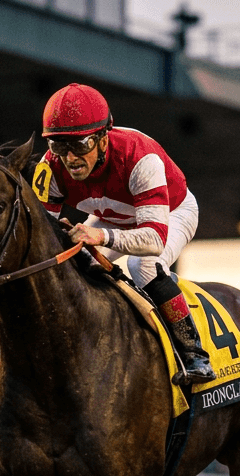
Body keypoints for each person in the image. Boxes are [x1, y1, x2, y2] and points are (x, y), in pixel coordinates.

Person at [37, 82, 215, 385]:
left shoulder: (140, 158)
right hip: (116, 216)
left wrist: (101, 237)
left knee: (143, 266)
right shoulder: (49, 167)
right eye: (59, 146)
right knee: (77, 263)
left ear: (104, 139)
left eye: (80, 145)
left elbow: (154, 239)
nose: (70, 159)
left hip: (172, 214)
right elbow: (41, 234)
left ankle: (194, 353)